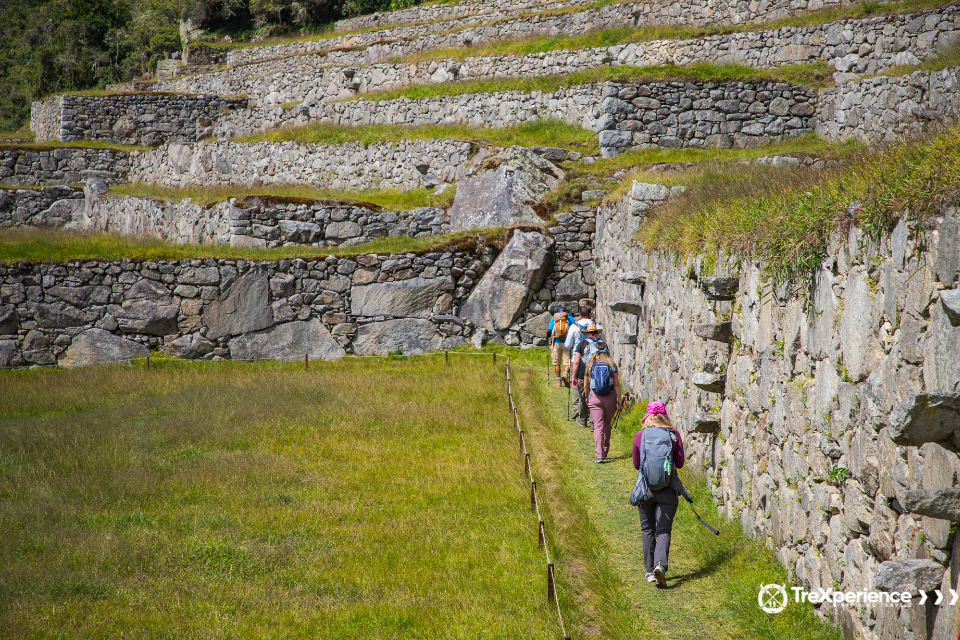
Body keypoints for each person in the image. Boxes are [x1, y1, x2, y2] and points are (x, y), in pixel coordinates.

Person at [632, 401, 685, 588]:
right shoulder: (673, 435)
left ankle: (649, 572)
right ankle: (660, 565)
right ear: (665, 416)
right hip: (668, 490)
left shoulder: (640, 436)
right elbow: (679, 463)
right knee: (663, 530)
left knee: (647, 529)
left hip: (646, 490)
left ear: (648, 417)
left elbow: (637, 464)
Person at [585, 341, 622, 463]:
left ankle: (599, 455)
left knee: (598, 426)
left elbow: (586, 384)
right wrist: (620, 401)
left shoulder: (590, 365)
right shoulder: (613, 365)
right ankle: (605, 449)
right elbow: (616, 384)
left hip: (595, 398)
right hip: (610, 398)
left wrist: (587, 396)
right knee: (607, 423)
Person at [570, 320, 600, 429]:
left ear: (587, 333)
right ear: (596, 333)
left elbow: (576, 361)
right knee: (594, 397)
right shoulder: (602, 344)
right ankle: (593, 423)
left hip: (583, 374)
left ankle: (583, 420)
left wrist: (574, 376)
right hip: (597, 375)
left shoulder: (582, 344)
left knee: (583, 397)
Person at [546, 305, 576, 387]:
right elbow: (574, 330)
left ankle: (558, 382)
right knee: (568, 361)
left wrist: (547, 336)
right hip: (567, 342)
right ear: (566, 312)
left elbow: (549, 331)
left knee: (557, 363)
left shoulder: (554, 318)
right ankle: (565, 374)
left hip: (556, 342)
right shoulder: (569, 318)